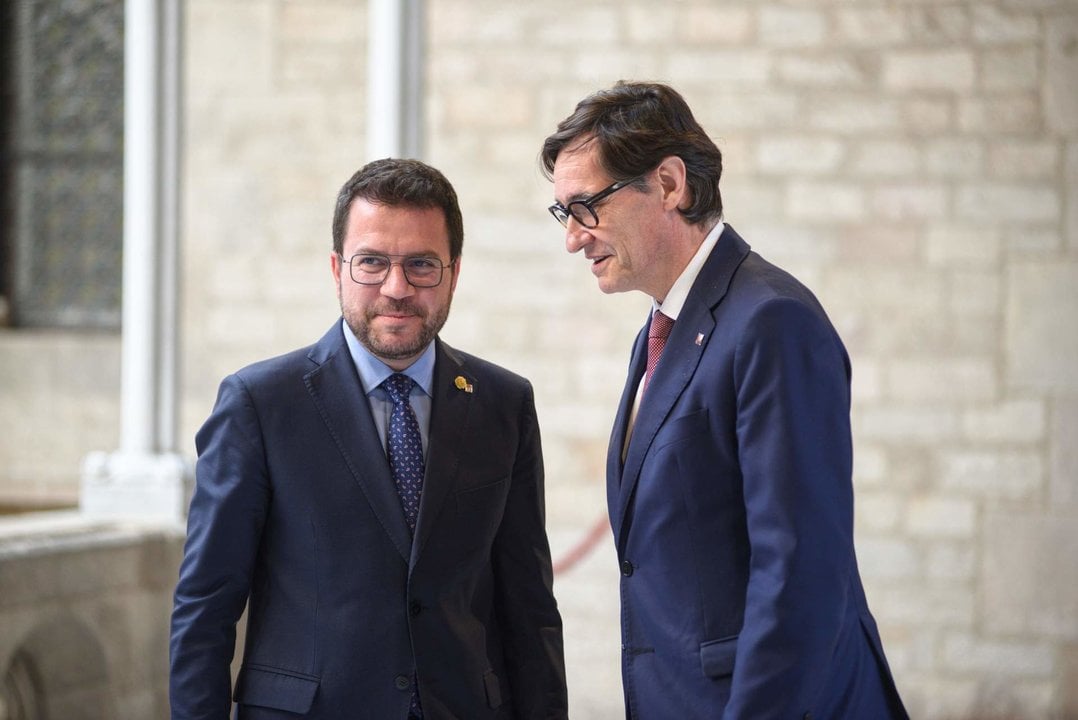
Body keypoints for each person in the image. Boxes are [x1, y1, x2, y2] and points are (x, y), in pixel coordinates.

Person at [540, 81, 908, 719]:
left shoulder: (772, 321)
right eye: (562, 213)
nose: (573, 238)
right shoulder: (661, 331)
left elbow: (798, 575)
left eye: (586, 206)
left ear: (670, 184)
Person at [170, 158, 568, 719]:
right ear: (337, 269)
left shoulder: (504, 403)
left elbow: (530, 609)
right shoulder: (260, 404)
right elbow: (206, 606)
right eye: (372, 262)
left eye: (422, 265)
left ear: (454, 273)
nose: (397, 287)